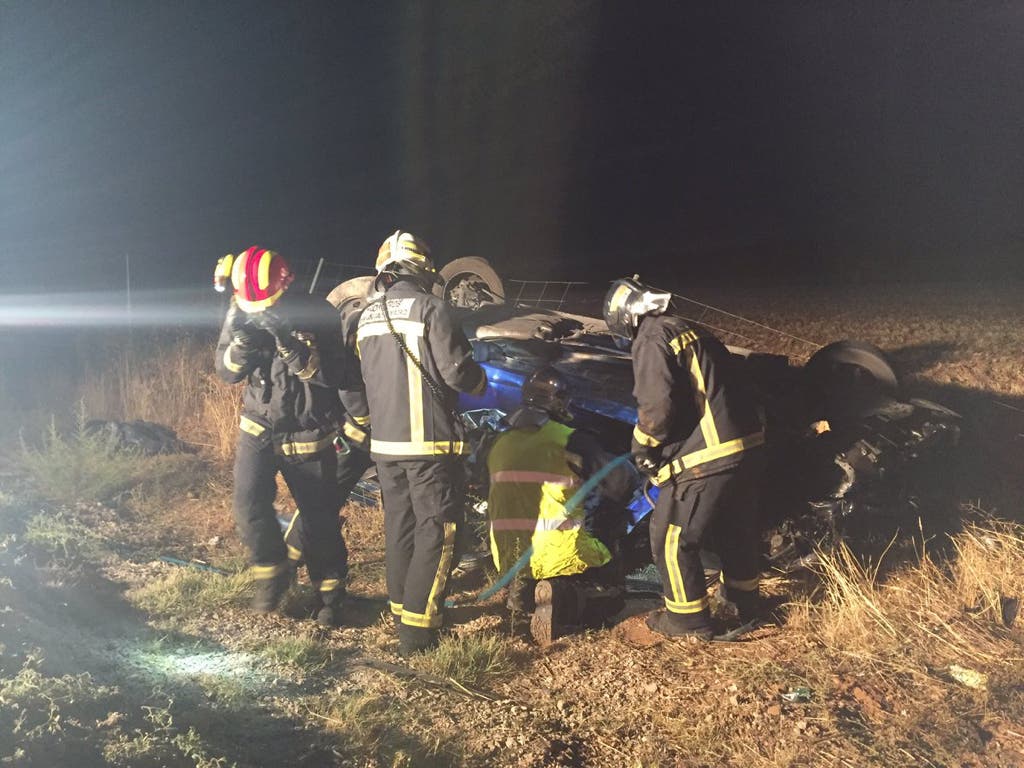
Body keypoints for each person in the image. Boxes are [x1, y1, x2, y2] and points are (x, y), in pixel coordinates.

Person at [603, 276, 766, 640]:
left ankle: (687, 621)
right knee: (734, 529)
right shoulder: (691, 330)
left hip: (712, 453)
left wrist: (642, 447)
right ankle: (742, 603)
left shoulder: (651, 336)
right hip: (747, 446)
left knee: (671, 535)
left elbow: (657, 408)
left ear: (624, 315)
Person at [355, 231, 487, 656]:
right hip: (429, 446)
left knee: (401, 528)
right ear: (423, 268)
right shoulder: (433, 308)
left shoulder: (365, 316)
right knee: (439, 529)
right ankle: (419, 631)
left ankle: (402, 611)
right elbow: (456, 373)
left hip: (386, 448)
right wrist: (481, 382)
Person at [214, 246, 352, 627]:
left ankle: (330, 596)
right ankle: (271, 574)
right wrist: (241, 345)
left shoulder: (318, 312)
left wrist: (289, 345)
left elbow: (331, 378)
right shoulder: (239, 308)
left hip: (308, 435)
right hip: (257, 427)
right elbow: (226, 372)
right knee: (248, 505)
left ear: (286, 283)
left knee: (319, 521)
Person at [485, 367, 632, 646]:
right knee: (613, 597)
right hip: (559, 551)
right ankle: (564, 598)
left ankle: (521, 597)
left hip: (508, 554)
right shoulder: (568, 438)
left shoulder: (499, 442)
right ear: (560, 401)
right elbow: (620, 482)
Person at [282, 278, 375, 598]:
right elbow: (351, 384)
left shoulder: (356, 327)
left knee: (320, 504)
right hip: (355, 435)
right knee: (321, 505)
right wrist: (365, 426)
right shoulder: (361, 333)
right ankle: (287, 571)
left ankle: (289, 572)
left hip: (358, 433)